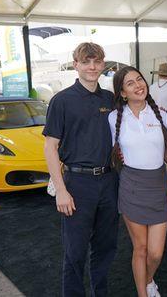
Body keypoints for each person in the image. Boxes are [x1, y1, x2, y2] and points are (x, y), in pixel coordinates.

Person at [43, 42, 118, 297]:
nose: (92, 66)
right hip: (77, 184)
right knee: (74, 252)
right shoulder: (61, 101)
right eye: (86, 61)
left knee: (105, 248)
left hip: (108, 181)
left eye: (96, 61)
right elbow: (50, 147)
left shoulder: (110, 99)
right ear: (76, 65)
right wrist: (61, 191)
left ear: (103, 64)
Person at [109, 66, 167, 297]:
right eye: (130, 83)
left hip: (157, 187)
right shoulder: (113, 118)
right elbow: (112, 152)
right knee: (141, 249)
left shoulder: (162, 115)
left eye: (140, 79)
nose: (138, 85)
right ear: (123, 93)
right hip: (131, 187)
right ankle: (142, 293)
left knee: (156, 253)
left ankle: (148, 279)